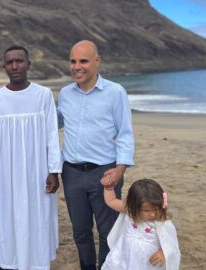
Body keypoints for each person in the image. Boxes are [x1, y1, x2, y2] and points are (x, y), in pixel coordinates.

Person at [0, 45, 62, 270]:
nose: (15, 66)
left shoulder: (43, 95)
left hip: (38, 171)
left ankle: (37, 263)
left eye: (20, 61)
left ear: (29, 64)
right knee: (9, 216)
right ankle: (10, 262)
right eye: (10, 62)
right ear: (4, 66)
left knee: (38, 215)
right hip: (7, 172)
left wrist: (53, 170)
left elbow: (51, 135)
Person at [57, 40, 135, 270]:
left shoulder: (115, 92)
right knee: (80, 232)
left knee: (107, 232)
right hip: (71, 173)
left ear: (97, 62)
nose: (77, 66)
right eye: (73, 61)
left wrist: (120, 169)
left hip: (105, 172)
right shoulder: (65, 94)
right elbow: (56, 122)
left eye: (83, 61)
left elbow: (125, 134)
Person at [100, 178, 180, 270]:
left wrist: (163, 253)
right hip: (126, 257)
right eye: (146, 210)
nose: (152, 214)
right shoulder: (129, 211)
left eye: (156, 209)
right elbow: (112, 201)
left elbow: (171, 244)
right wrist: (108, 188)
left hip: (148, 263)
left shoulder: (162, 223)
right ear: (133, 206)